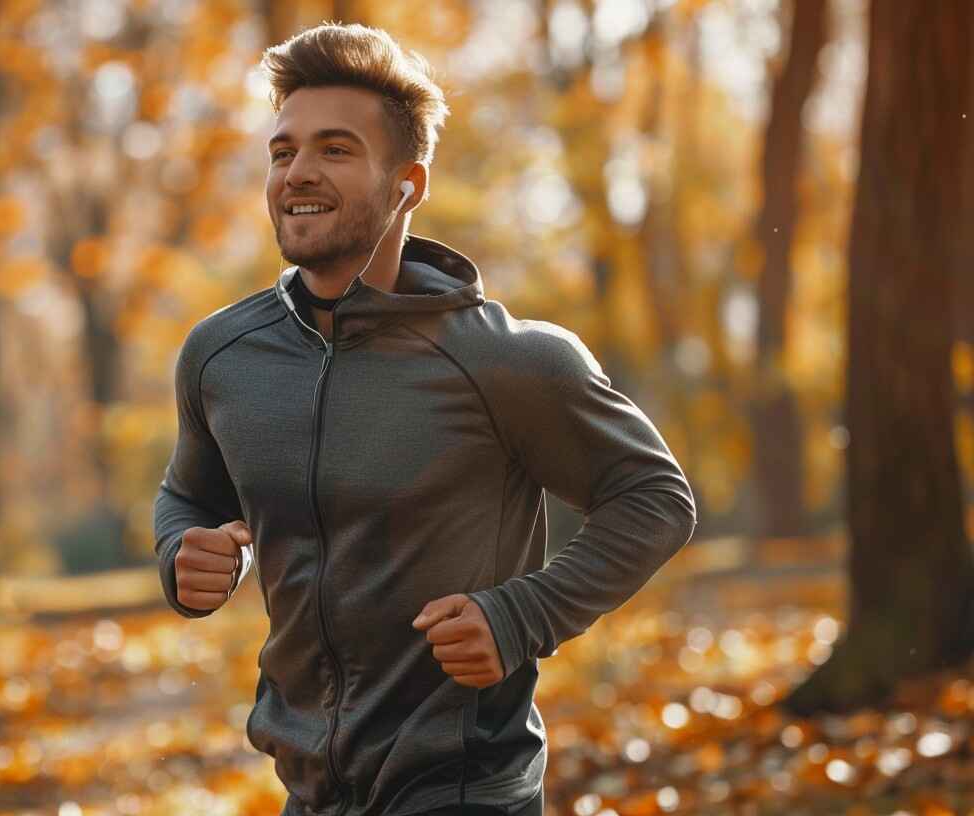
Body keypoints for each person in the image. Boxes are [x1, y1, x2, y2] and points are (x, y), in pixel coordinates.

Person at [152, 22, 696, 816]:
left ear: (407, 183)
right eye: (283, 151)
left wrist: (521, 614)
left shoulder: (507, 360)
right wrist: (182, 553)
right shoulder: (222, 355)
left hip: (466, 785)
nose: (297, 172)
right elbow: (189, 497)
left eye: (335, 149)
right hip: (305, 789)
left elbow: (655, 497)